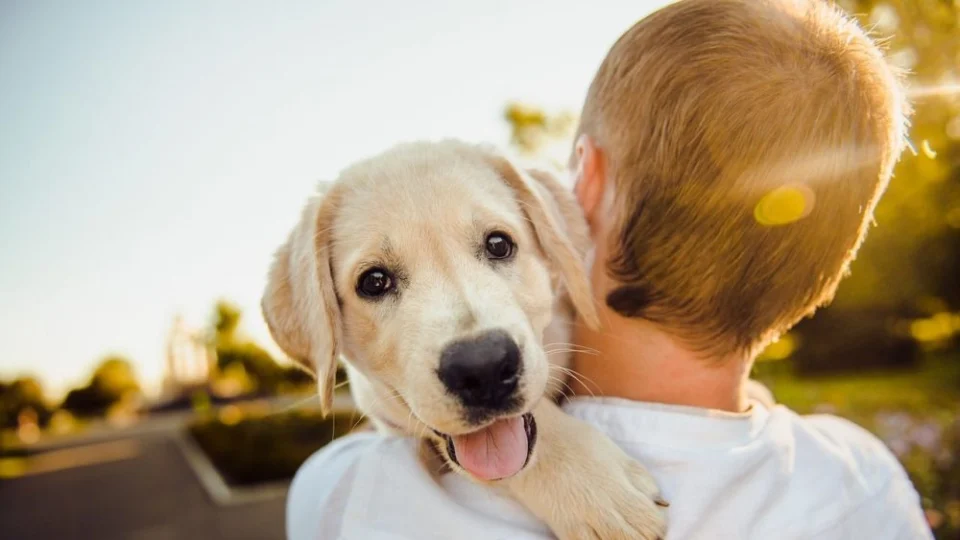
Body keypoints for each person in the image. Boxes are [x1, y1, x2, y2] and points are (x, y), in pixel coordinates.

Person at [286, 0, 933, 538]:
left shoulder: (346, 495)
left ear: (582, 186)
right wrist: (546, 455)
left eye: (497, 245)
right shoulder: (866, 485)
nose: (473, 332)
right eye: (377, 282)